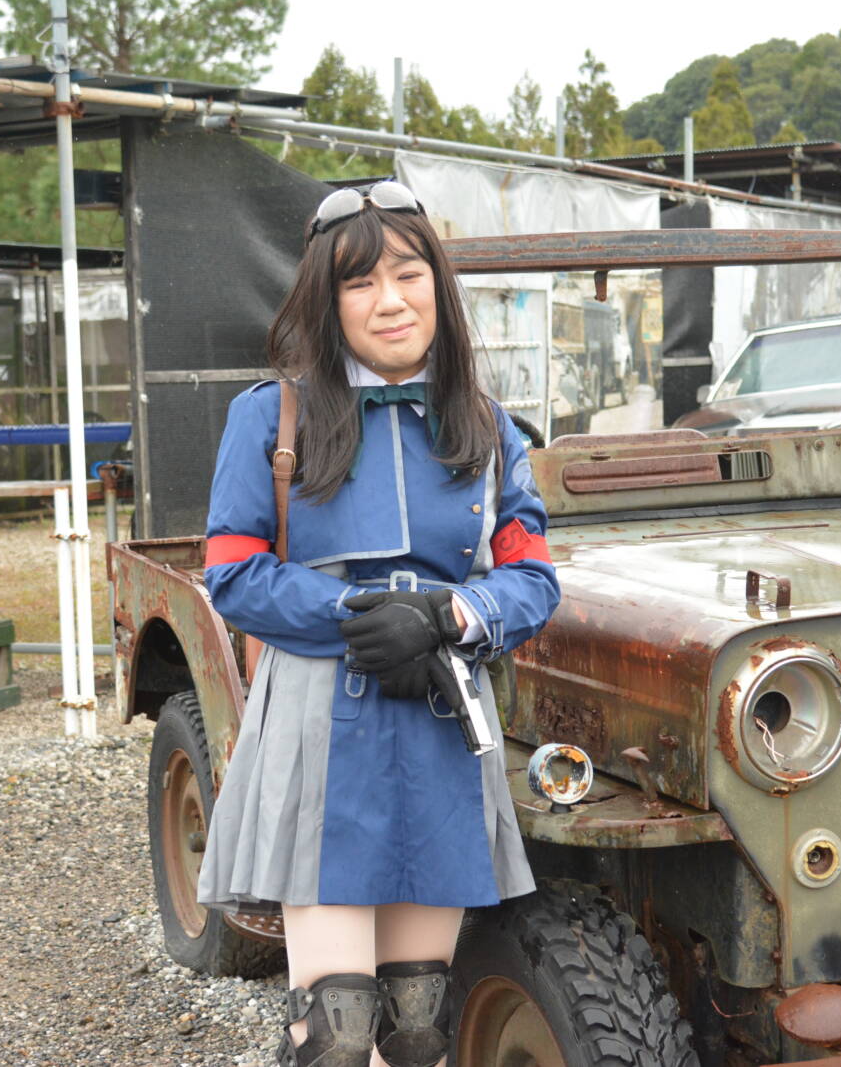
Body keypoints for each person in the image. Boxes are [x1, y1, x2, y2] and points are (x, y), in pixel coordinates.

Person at [195, 180, 561, 1067]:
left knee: (418, 1024)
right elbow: (233, 572)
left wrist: (449, 613)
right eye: (359, 283)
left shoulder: (487, 427)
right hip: (320, 724)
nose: (389, 301)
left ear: (438, 283)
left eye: (407, 274)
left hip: (439, 716)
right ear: (327, 301)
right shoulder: (270, 416)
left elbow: (532, 578)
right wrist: (362, 618)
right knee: (337, 1032)